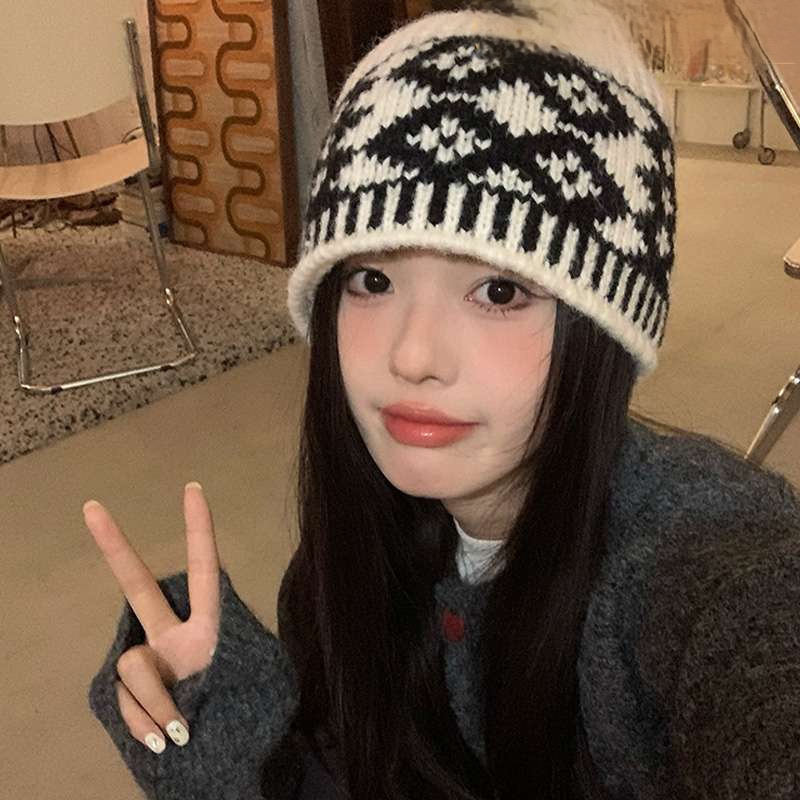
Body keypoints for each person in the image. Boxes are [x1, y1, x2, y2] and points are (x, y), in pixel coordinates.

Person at [83, 1, 800, 798]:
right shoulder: (342, 564)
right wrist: (243, 749)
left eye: (499, 291)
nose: (412, 356)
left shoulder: (697, 558)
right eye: (373, 279)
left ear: (604, 330)